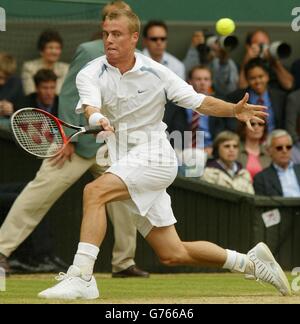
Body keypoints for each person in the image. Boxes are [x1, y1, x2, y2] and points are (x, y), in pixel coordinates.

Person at [38, 9, 291, 300]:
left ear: (134, 38)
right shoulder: (90, 72)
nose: (109, 40)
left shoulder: (157, 71)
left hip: (156, 157)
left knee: (94, 192)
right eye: (106, 34)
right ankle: (251, 263)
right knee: (173, 252)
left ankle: (81, 276)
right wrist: (96, 120)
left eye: (117, 34)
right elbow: (92, 107)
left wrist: (233, 110)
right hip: (124, 162)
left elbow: (198, 102)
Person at [0, 1, 149, 279]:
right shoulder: (89, 51)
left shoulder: (140, 57)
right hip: (77, 144)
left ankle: (124, 263)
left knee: (125, 201)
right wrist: (68, 136)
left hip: (111, 148)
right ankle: (1, 251)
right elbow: (69, 95)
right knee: (38, 193)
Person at [226, 57, 287, 134]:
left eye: (261, 76)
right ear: (247, 80)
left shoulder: (280, 97)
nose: (257, 81)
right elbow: (232, 126)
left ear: (267, 77)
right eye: (252, 78)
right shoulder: (236, 98)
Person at [183, 31, 239, 99]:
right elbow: (185, 77)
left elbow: (229, 90)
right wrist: (194, 49)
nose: (202, 83)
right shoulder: (195, 57)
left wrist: (223, 62)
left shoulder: (228, 63)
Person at [22, 29, 69, 95]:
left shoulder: (65, 69)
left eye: (57, 48)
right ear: (41, 51)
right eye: (50, 48)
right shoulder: (29, 68)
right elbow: (30, 92)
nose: (54, 52)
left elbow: (61, 93)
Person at [254, 129, 300, 197]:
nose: (285, 151)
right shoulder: (261, 178)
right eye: (279, 148)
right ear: (269, 151)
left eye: (288, 147)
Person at [0, 52, 24, 119]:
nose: (2, 82)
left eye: (6, 78)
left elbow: (22, 112)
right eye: (0, 77)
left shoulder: (17, 83)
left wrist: (12, 110)